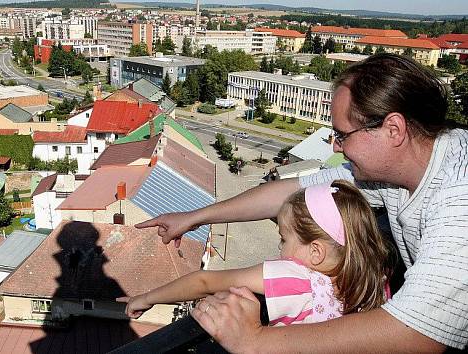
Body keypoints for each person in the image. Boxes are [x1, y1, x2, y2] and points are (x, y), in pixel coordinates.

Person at [136, 53, 467, 352]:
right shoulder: (403, 165)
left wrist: (255, 341)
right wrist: (195, 217)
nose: (335, 148)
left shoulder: (457, 202)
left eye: (342, 135)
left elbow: (417, 333)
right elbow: (290, 190)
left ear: (393, 130)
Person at [119, 180, 391, 325]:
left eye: (284, 239)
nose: (280, 247)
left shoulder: (296, 279)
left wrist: (146, 298)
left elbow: (204, 282)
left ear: (316, 252)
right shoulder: (374, 280)